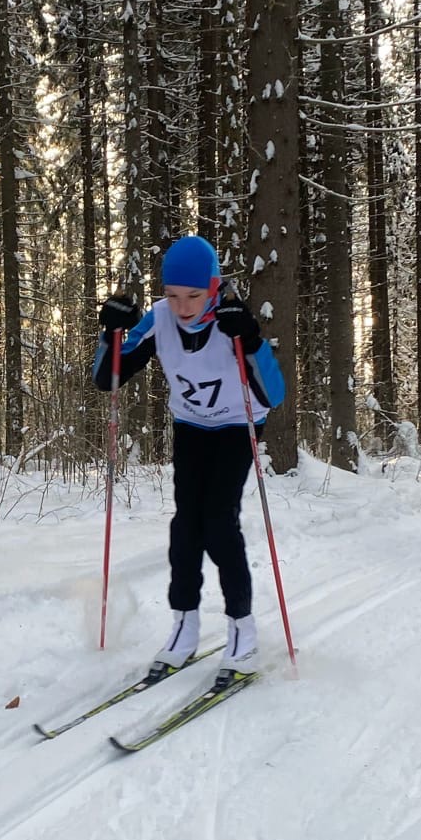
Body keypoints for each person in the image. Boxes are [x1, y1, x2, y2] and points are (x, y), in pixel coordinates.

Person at [93, 235, 285, 675]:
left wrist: (251, 340)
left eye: (194, 296)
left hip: (238, 424)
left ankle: (242, 629)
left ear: (214, 286)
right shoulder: (161, 319)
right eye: (173, 295)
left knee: (218, 522)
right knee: (185, 527)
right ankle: (185, 624)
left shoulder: (230, 319)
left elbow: (273, 394)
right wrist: (111, 331)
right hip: (192, 426)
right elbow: (109, 378)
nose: (182, 307)